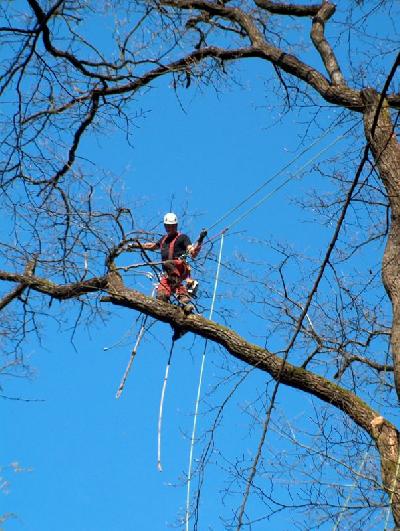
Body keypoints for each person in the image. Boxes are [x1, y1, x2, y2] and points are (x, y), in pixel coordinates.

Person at [130, 213, 207, 313]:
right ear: (165, 226)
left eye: (173, 226)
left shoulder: (183, 238)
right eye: (168, 226)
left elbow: (192, 252)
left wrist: (200, 240)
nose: (171, 228)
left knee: (168, 263)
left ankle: (181, 294)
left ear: (176, 225)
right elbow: (152, 246)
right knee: (161, 293)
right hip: (169, 273)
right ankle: (178, 308)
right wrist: (136, 245)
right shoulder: (163, 240)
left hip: (180, 266)